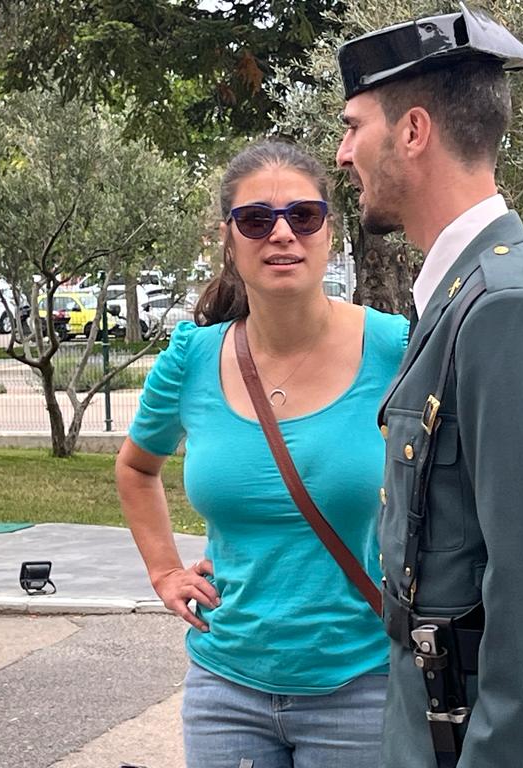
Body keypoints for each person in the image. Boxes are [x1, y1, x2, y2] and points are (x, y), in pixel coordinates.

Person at [335, 7, 523, 768]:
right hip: (443, 714)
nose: (343, 154)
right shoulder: (469, 292)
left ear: (412, 131)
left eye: (353, 128)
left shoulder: (504, 305)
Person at [115, 140, 408, 768]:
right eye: (255, 219)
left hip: (362, 684)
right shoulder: (192, 357)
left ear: (329, 231)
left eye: (303, 215)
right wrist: (164, 572)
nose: (282, 234)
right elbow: (136, 467)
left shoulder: (393, 348)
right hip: (226, 690)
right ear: (228, 238)